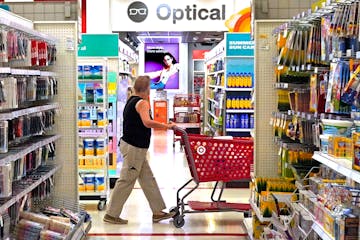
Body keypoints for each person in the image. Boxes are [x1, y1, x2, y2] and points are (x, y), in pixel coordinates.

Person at [103, 75, 176, 224]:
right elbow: (147, 122)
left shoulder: (131, 100)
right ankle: (111, 214)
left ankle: (157, 212)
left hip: (134, 147)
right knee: (126, 180)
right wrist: (166, 127)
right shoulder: (142, 103)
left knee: (148, 179)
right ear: (146, 89)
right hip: (134, 148)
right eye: (149, 88)